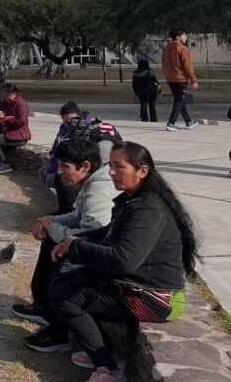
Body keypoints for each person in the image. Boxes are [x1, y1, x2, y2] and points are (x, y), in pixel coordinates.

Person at [47, 142, 196, 380]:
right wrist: (73, 241)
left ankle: (108, 366)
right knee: (65, 278)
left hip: (155, 297)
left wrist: (75, 245)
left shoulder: (149, 209)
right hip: (135, 283)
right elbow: (109, 231)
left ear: (142, 171)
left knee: (65, 296)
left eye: (119, 167)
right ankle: (104, 352)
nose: (111, 172)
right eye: (111, 165)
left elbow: (124, 260)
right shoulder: (133, 199)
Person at [14, 138, 119, 352]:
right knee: (52, 239)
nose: (59, 172)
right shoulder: (92, 183)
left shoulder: (99, 191)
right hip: (96, 247)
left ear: (86, 166)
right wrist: (46, 220)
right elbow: (76, 215)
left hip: (106, 257)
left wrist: (50, 226)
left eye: (65, 166)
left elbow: (88, 236)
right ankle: (44, 306)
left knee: (59, 259)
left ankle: (60, 330)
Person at [43, 102, 121, 214]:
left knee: (63, 181)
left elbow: (103, 171)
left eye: (70, 122)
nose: (68, 125)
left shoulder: (103, 143)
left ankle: (69, 211)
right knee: (59, 177)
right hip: (97, 172)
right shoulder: (81, 128)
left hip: (106, 179)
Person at [0, 83, 32, 174]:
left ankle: (4, 163)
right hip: (7, 132)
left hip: (19, 135)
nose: (6, 97)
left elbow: (21, 121)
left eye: (8, 95)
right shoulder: (5, 102)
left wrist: (6, 118)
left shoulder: (21, 104)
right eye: (4, 95)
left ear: (14, 93)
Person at [161, 30, 199, 132]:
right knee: (180, 99)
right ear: (178, 37)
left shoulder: (166, 49)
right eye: (184, 35)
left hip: (170, 78)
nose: (186, 37)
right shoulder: (183, 49)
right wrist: (193, 80)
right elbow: (188, 66)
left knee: (180, 99)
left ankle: (189, 121)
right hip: (180, 78)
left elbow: (163, 64)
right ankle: (171, 123)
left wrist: (167, 75)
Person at [130, 59, 159, 123]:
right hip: (150, 91)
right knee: (152, 107)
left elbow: (133, 84)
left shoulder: (135, 73)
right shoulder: (150, 71)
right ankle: (153, 120)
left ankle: (144, 120)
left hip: (140, 92)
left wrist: (136, 91)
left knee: (143, 106)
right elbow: (155, 82)